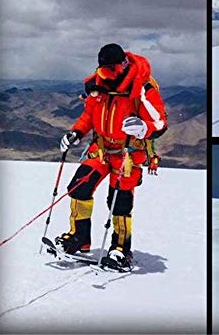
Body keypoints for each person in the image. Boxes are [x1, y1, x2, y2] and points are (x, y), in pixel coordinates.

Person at [57, 43, 168, 269]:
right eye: (104, 71)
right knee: (79, 187)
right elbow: (89, 115)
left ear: (123, 66)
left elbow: (160, 122)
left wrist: (144, 128)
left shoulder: (142, 87)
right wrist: (75, 133)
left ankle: (121, 249)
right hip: (100, 150)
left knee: (119, 203)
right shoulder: (98, 87)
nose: (108, 76)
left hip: (128, 155)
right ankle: (79, 238)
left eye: (112, 70)